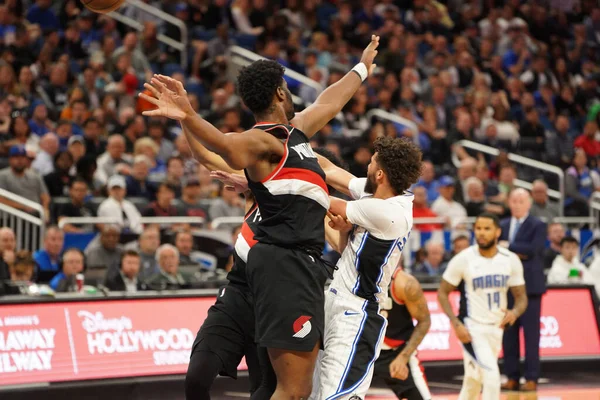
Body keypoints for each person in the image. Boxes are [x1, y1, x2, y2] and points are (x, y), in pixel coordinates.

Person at [142, 35, 380, 398]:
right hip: (284, 264)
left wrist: (362, 67)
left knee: (281, 388)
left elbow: (330, 100)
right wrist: (189, 116)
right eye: (286, 86)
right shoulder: (263, 141)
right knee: (291, 390)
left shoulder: (294, 134)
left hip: (292, 265)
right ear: (280, 94)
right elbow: (225, 147)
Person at [312, 136, 422, 399]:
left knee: (338, 396)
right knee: (315, 393)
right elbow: (329, 170)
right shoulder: (378, 193)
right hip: (336, 301)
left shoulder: (390, 212)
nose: (367, 166)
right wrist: (293, 145)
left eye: (372, 162)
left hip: (357, 314)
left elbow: (320, 198)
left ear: (381, 173)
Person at [438, 213, 528, 400]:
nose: (481, 233)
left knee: (473, 380)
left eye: (487, 229)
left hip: (496, 328)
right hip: (472, 328)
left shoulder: (510, 259)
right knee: (492, 376)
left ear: (497, 232)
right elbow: (442, 293)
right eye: (478, 228)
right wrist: (456, 324)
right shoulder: (464, 259)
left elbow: (521, 297)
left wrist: (515, 312)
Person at [499, 188, 546, 392]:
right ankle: (511, 376)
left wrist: (508, 246)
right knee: (508, 335)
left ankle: (532, 377)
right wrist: (517, 250)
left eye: (521, 200)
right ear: (509, 202)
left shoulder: (538, 224)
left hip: (530, 288)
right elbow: (496, 249)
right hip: (506, 287)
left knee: (531, 335)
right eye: (514, 200)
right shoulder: (502, 224)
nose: (517, 204)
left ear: (528, 204)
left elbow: (533, 249)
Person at [373, 267, 432, 400]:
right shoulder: (355, 277)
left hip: (396, 352)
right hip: (364, 350)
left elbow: (425, 321)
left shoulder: (404, 283)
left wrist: (403, 357)